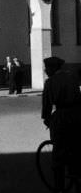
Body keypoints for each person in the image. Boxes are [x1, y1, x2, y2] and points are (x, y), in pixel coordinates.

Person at [41, 56, 81, 190]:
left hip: (62, 117)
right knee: (75, 147)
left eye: (46, 68)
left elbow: (46, 104)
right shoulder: (73, 77)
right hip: (77, 115)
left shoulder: (50, 82)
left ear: (52, 68)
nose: (45, 71)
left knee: (58, 153)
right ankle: (75, 176)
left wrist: (47, 119)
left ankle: (59, 188)